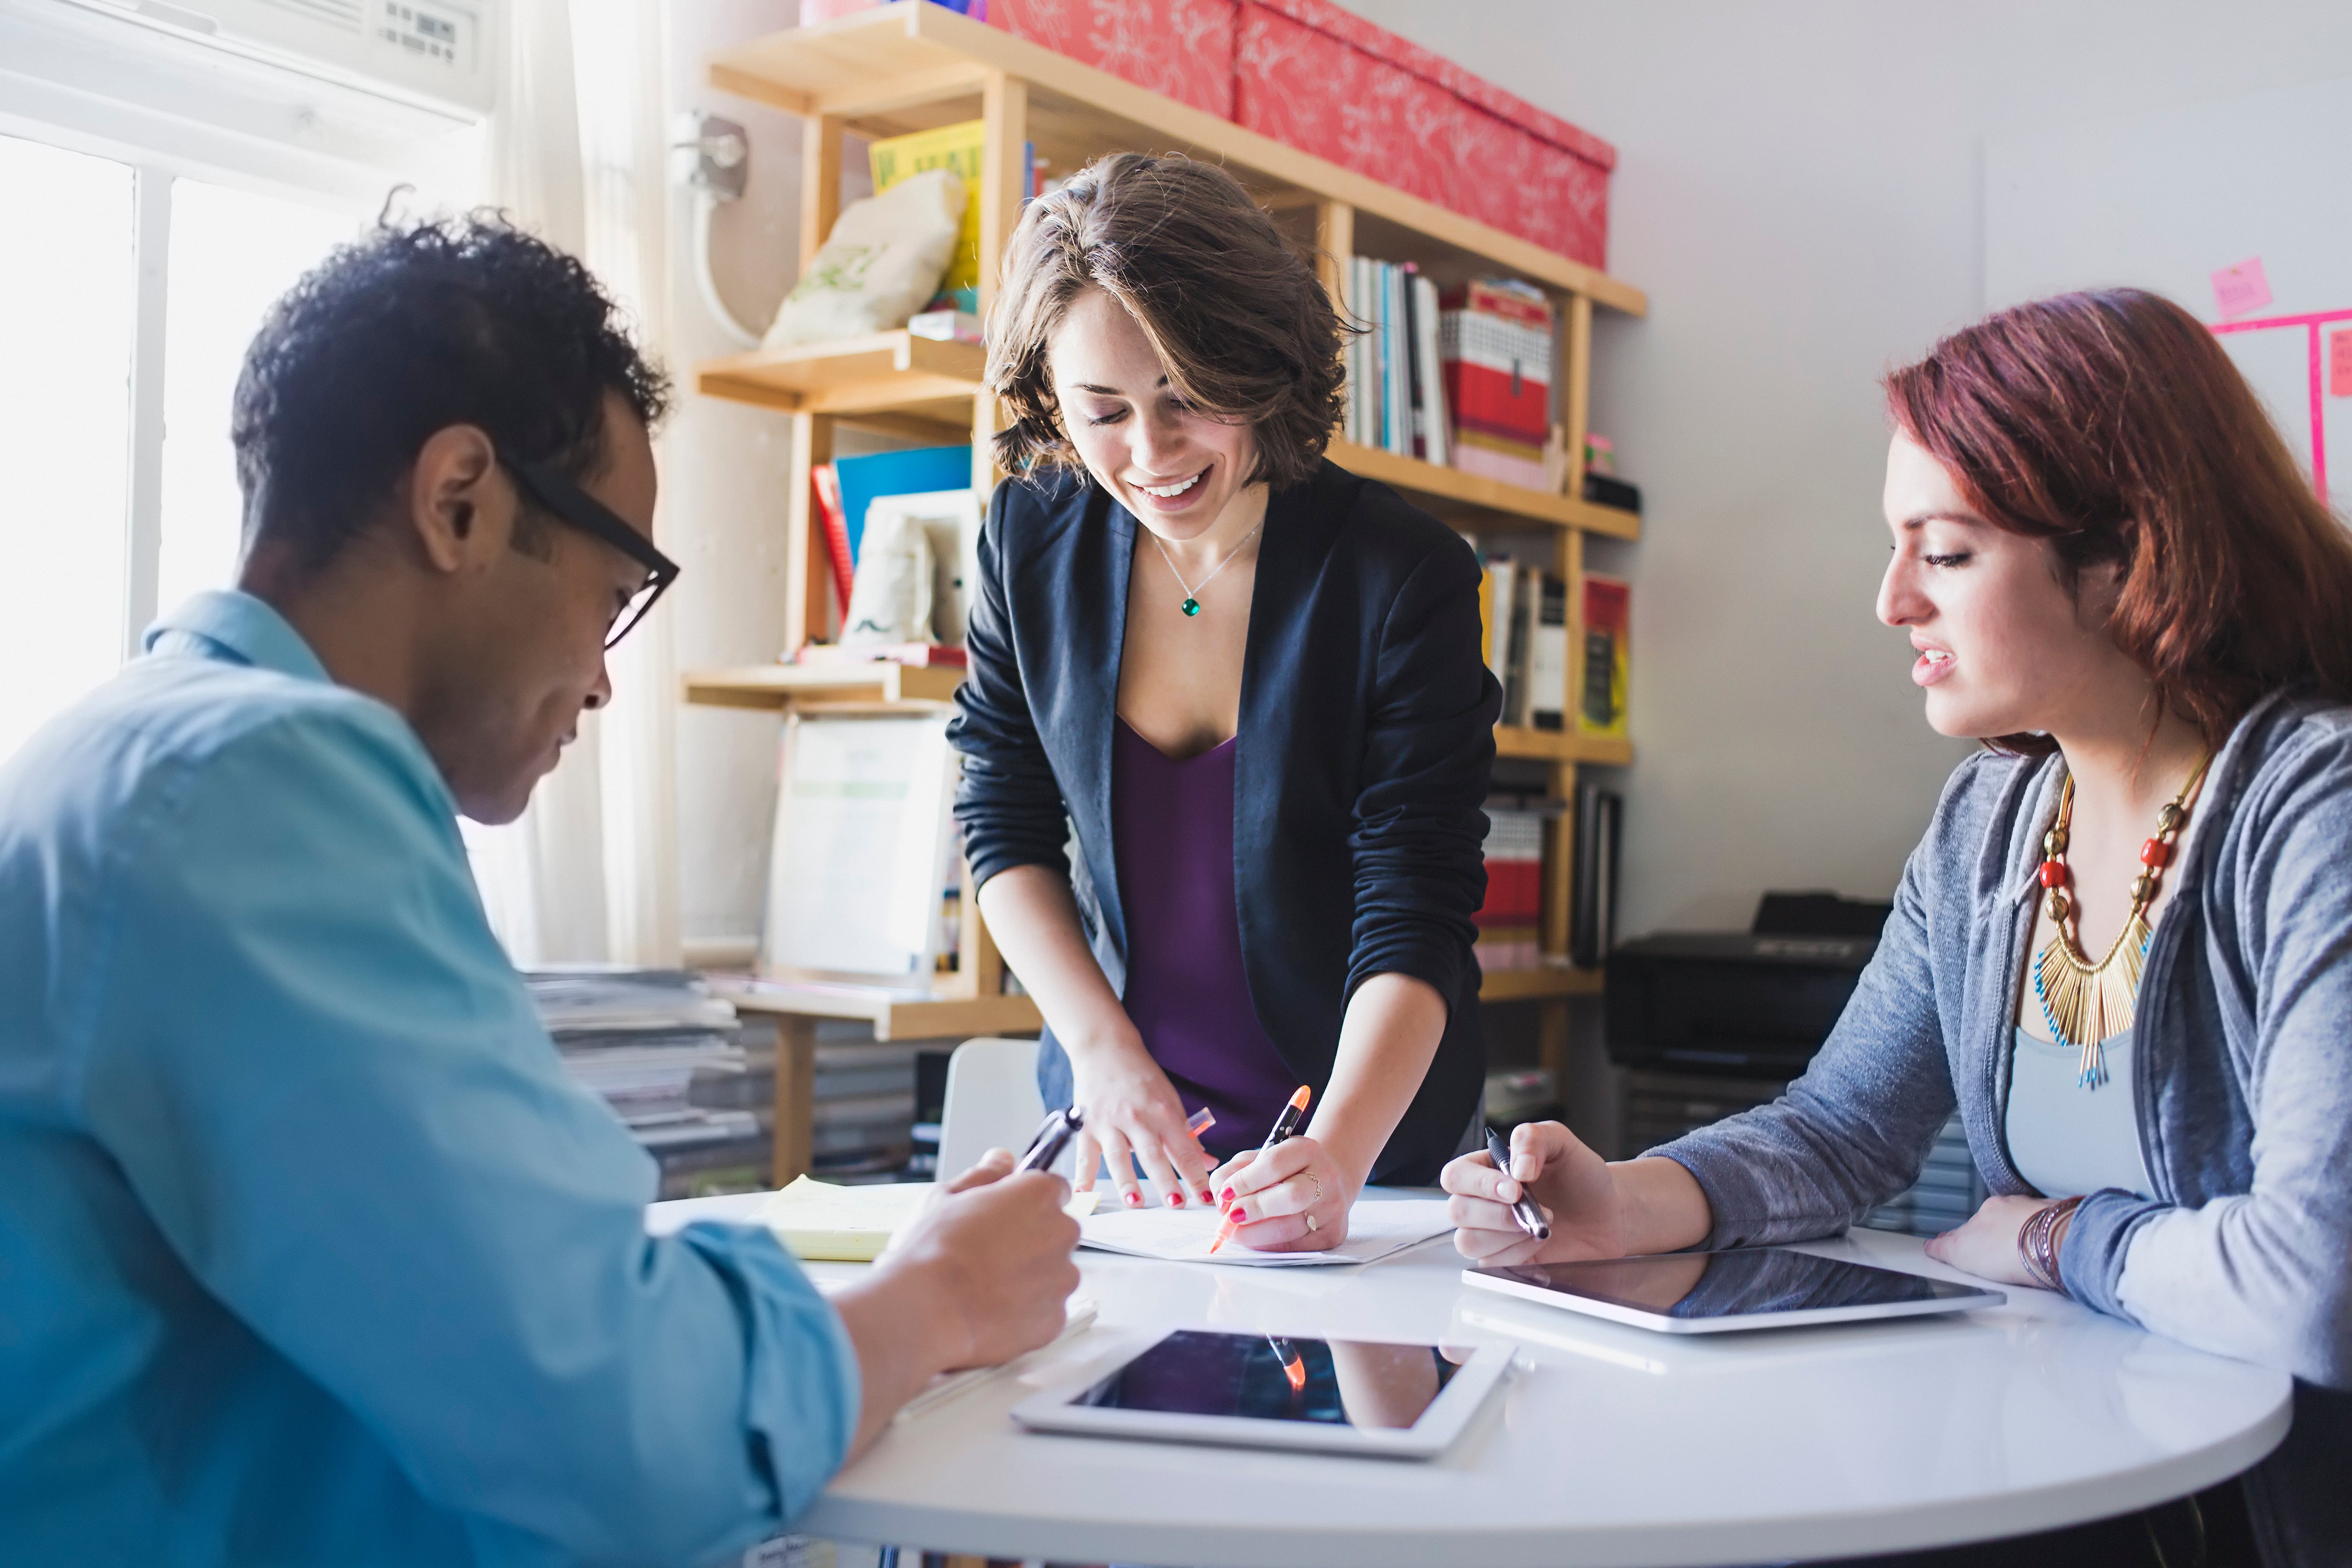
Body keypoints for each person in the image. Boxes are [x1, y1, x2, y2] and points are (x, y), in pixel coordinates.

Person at [0, 215, 1080, 1566]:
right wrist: (938, 1302)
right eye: (614, 591)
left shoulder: (124, 747)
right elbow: (628, 1426)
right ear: (460, 498)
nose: (605, 673)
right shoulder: (263, 781)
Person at [1444, 287, 2352, 1566]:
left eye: (1946, 550)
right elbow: (1842, 1126)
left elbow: (2315, 1283)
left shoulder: (2316, 804)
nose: (1890, 602)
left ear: (2124, 554)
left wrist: (2054, 1232)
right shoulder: (1993, 814)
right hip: (2058, 1478)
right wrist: (1630, 1197)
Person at [950, 152, 1499, 1251]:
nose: (1150, 456)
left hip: (1371, 1154)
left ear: (1260, 365)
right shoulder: (1027, 543)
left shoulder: (1401, 575)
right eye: (1102, 412)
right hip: (1127, 1147)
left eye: (1188, 400)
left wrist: (1338, 1155)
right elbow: (1000, 825)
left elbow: (1416, 901)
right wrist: (1104, 1054)